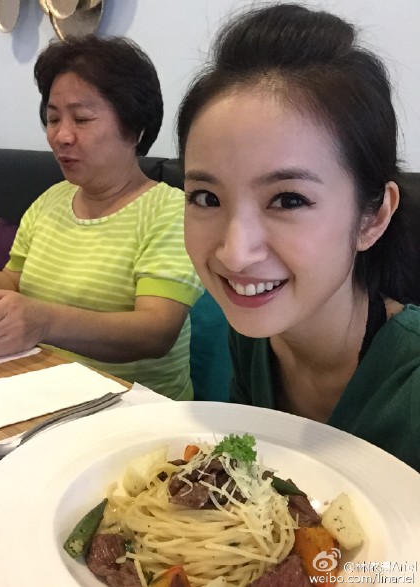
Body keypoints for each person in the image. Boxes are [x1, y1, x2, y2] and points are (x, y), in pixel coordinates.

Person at [177, 3, 420, 470]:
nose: (236, 254)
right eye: (206, 197)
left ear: (373, 217)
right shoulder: (253, 336)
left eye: (288, 200)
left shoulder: (410, 388)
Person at [0, 35, 203, 400]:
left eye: (81, 119)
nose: (61, 136)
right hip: (40, 389)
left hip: (134, 407)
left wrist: (45, 322)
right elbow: (13, 283)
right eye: (53, 118)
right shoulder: (52, 199)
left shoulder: (169, 211)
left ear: (135, 129)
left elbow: (155, 332)